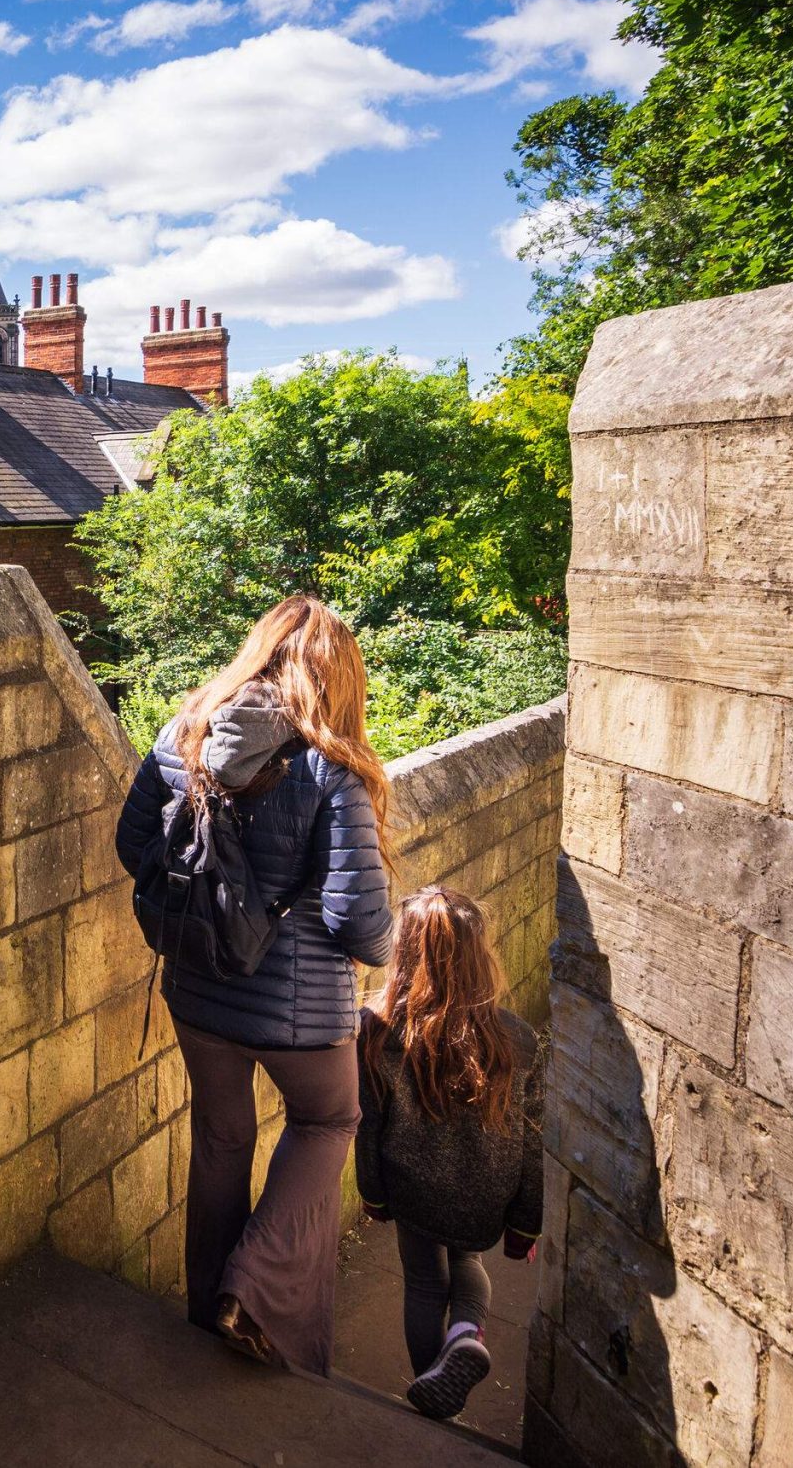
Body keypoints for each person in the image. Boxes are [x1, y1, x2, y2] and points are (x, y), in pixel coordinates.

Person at [115, 595, 395, 1376]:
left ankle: (208, 1311)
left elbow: (131, 841)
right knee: (330, 1119)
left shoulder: (185, 736)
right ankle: (254, 1289)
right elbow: (360, 924)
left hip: (199, 990)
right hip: (299, 1015)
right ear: (335, 675)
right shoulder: (329, 766)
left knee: (221, 1139)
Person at [355, 888, 545, 1421]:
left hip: (412, 1183)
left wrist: (373, 1194)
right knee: (467, 1260)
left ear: (405, 953)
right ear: (479, 955)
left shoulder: (378, 1030)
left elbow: (368, 1123)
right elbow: (534, 1140)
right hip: (487, 1188)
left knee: (422, 1280)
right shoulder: (519, 1039)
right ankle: (465, 1334)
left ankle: (433, 1397)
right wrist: (527, 1222)